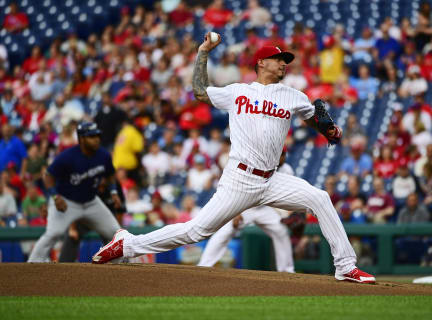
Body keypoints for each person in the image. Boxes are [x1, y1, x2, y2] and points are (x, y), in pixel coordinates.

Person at [93, 35, 375, 284]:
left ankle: (345, 266)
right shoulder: (237, 91)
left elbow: (314, 116)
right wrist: (203, 52)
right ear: (261, 63)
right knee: (195, 231)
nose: (283, 64)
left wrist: (328, 128)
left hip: (272, 179)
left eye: (285, 60)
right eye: (278, 59)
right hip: (239, 179)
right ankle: (127, 244)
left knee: (320, 198)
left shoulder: (293, 96)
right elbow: (200, 91)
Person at [28, 122, 122, 262]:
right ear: (81, 138)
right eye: (91, 136)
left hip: (91, 202)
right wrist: (55, 196)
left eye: (97, 135)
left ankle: (119, 267)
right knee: (54, 233)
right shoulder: (67, 156)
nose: (96, 139)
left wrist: (114, 192)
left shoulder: (103, 155)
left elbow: (110, 175)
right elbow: (48, 176)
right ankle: (31, 265)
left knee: (116, 233)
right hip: (67, 202)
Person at [198, 149, 295, 273]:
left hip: (265, 208)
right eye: (280, 154)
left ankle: (287, 271)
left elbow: (286, 193)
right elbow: (238, 184)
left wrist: (289, 212)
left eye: (284, 154)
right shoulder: (259, 163)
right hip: (245, 206)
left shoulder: (287, 169)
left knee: (281, 231)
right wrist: (236, 211)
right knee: (224, 232)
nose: (282, 157)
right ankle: (204, 266)